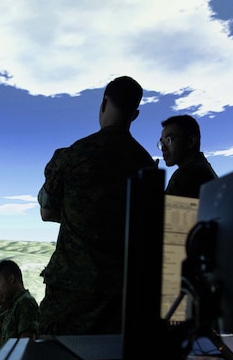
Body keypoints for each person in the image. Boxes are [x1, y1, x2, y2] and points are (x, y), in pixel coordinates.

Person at [37, 75, 157, 335]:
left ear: (104, 103)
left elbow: (47, 211)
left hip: (70, 300)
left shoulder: (71, 155)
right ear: (134, 115)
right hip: (123, 302)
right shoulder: (146, 165)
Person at [158, 114, 217, 198]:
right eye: (161, 143)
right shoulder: (203, 168)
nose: (163, 148)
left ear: (191, 141)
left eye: (168, 140)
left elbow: (158, 210)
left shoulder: (185, 175)